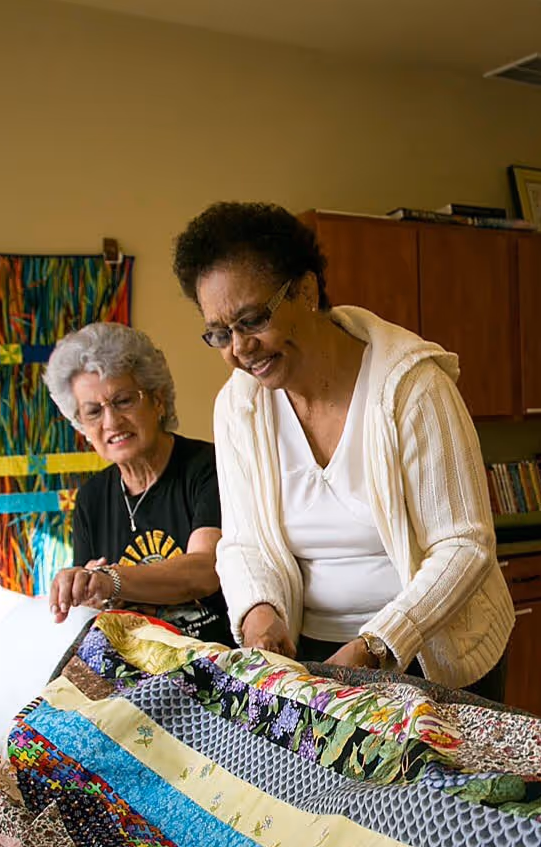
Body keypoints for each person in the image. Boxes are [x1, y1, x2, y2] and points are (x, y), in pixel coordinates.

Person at [172, 202, 513, 697]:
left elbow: (464, 546)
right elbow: (245, 542)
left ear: (306, 291)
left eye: (253, 320)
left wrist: (378, 642)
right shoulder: (238, 407)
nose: (240, 348)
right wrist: (261, 616)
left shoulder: (412, 388)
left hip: (432, 651)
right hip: (315, 658)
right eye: (220, 333)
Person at [43, 322, 234, 645]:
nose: (111, 422)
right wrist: (84, 588)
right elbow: (94, 602)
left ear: (157, 400)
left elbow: (203, 572)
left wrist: (109, 580)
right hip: (132, 659)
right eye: (93, 412)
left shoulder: (208, 468)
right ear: (82, 427)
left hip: (211, 653)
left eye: (123, 401)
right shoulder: (91, 499)